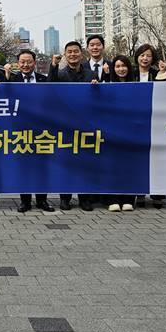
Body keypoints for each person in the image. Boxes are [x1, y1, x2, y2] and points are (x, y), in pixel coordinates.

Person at [49, 41, 95, 211]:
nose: (73, 54)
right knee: (66, 164)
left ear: (81, 54)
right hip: (65, 125)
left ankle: (85, 199)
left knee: (84, 164)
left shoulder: (91, 75)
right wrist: (53, 65)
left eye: (76, 51)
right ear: (65, 55)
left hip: (85, 125)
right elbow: (50, 87)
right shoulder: (59, 74)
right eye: (70, 52)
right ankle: (65, 198)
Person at [7, 49, 54, 213]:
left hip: (41, 131)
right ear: (17, 64)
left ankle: (42, 200)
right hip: (20, 130)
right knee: (24, 167)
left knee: (42, 166)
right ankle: (25, 201)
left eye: (29, 62)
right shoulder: (11, 80)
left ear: (34, 63)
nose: (25, 65)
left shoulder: (44, 80)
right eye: (22, 62)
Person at [132, 44, 166, 208]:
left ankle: (157, 195)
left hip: (155, 122)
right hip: (134, 123)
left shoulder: (158, 74)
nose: (145, 58)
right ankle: (139, 193)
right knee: (137, 159)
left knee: (156, 159)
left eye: (148, 55)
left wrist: (163, 74)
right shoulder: (130, 74)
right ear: (137, 57)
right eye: (142, 55)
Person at [105, 55, 136, 212]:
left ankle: (129, 199)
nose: (121, 69)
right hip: (112, 133)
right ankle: (113, 199)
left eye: (123, 66)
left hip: (131, 133)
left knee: (130, 167)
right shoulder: (107, 86)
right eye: (117, 66)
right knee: (112, 167)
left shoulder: (137, 86)